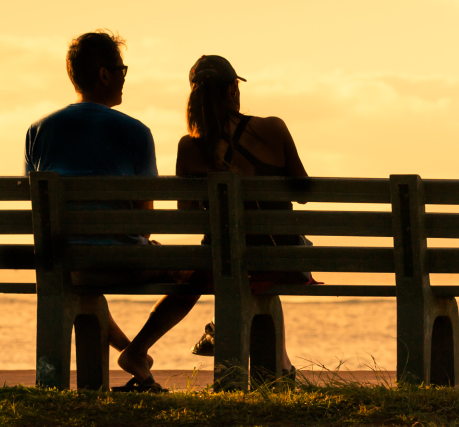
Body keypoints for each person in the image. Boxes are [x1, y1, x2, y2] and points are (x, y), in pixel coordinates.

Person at [25, 30, 184, 393]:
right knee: (198, 271)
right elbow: (144, 222)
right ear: (104, 74)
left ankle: (133, 355)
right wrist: (142, 243)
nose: (124, 79)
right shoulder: (136, 132)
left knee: (86, 279)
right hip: (120, 261)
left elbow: (39, 209)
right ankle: (137, 351)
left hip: (62, 262)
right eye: (122, 70)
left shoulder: (38, 131)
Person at [159, 54, 314, 377]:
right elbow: (302, 191)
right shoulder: (272, 128)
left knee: (232, 262)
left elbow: (186, 214)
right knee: (259, 265)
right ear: (232, 90)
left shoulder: (189, 147)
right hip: (281, 261)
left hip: (220, 265)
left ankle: (229, 333)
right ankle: (280, 369)